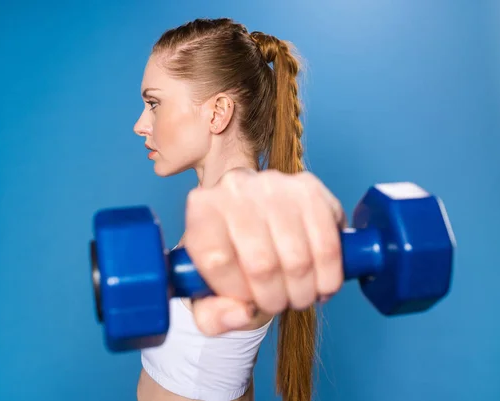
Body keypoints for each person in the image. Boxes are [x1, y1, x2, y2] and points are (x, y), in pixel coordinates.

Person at [133, 18, 346, 401]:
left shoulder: (241, 217)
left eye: (154, 104)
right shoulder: (209, 214)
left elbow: (255, 210)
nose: (140, 124)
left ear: (217, 113)